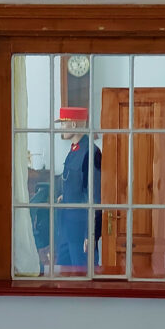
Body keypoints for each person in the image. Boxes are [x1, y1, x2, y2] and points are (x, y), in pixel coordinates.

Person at [54, 106, 101, 268]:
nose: (61, 128)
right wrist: (64, 196)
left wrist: (91, 232)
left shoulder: (90, 152)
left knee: (82, 275)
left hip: (81, 229)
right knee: (63, 274)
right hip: (67, 226)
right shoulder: (74, 150)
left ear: (73, 125)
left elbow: (95, 195)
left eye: (63, 124)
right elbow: (75, 182)